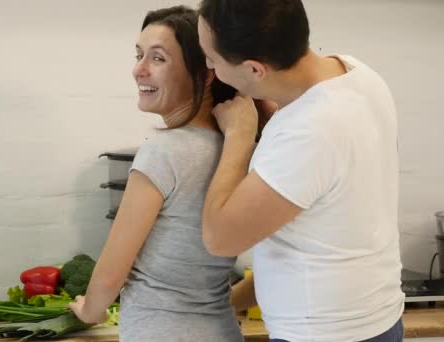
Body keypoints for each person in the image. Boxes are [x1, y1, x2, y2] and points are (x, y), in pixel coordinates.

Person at [196, 0, 405, 341]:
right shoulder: (357, 73)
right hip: (376, 317)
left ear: (254, 69)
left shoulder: (309, 131)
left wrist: (239, 136)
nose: (208, 65)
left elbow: (220, 238)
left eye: (213, 59)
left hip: (325, 332)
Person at [68, 5, 243, 342]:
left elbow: (110, 273)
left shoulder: (164, 150)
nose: (139, 70)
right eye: (139, 55)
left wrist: (90, 310)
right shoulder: (234, 146)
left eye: (158, 58)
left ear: (206, 72)